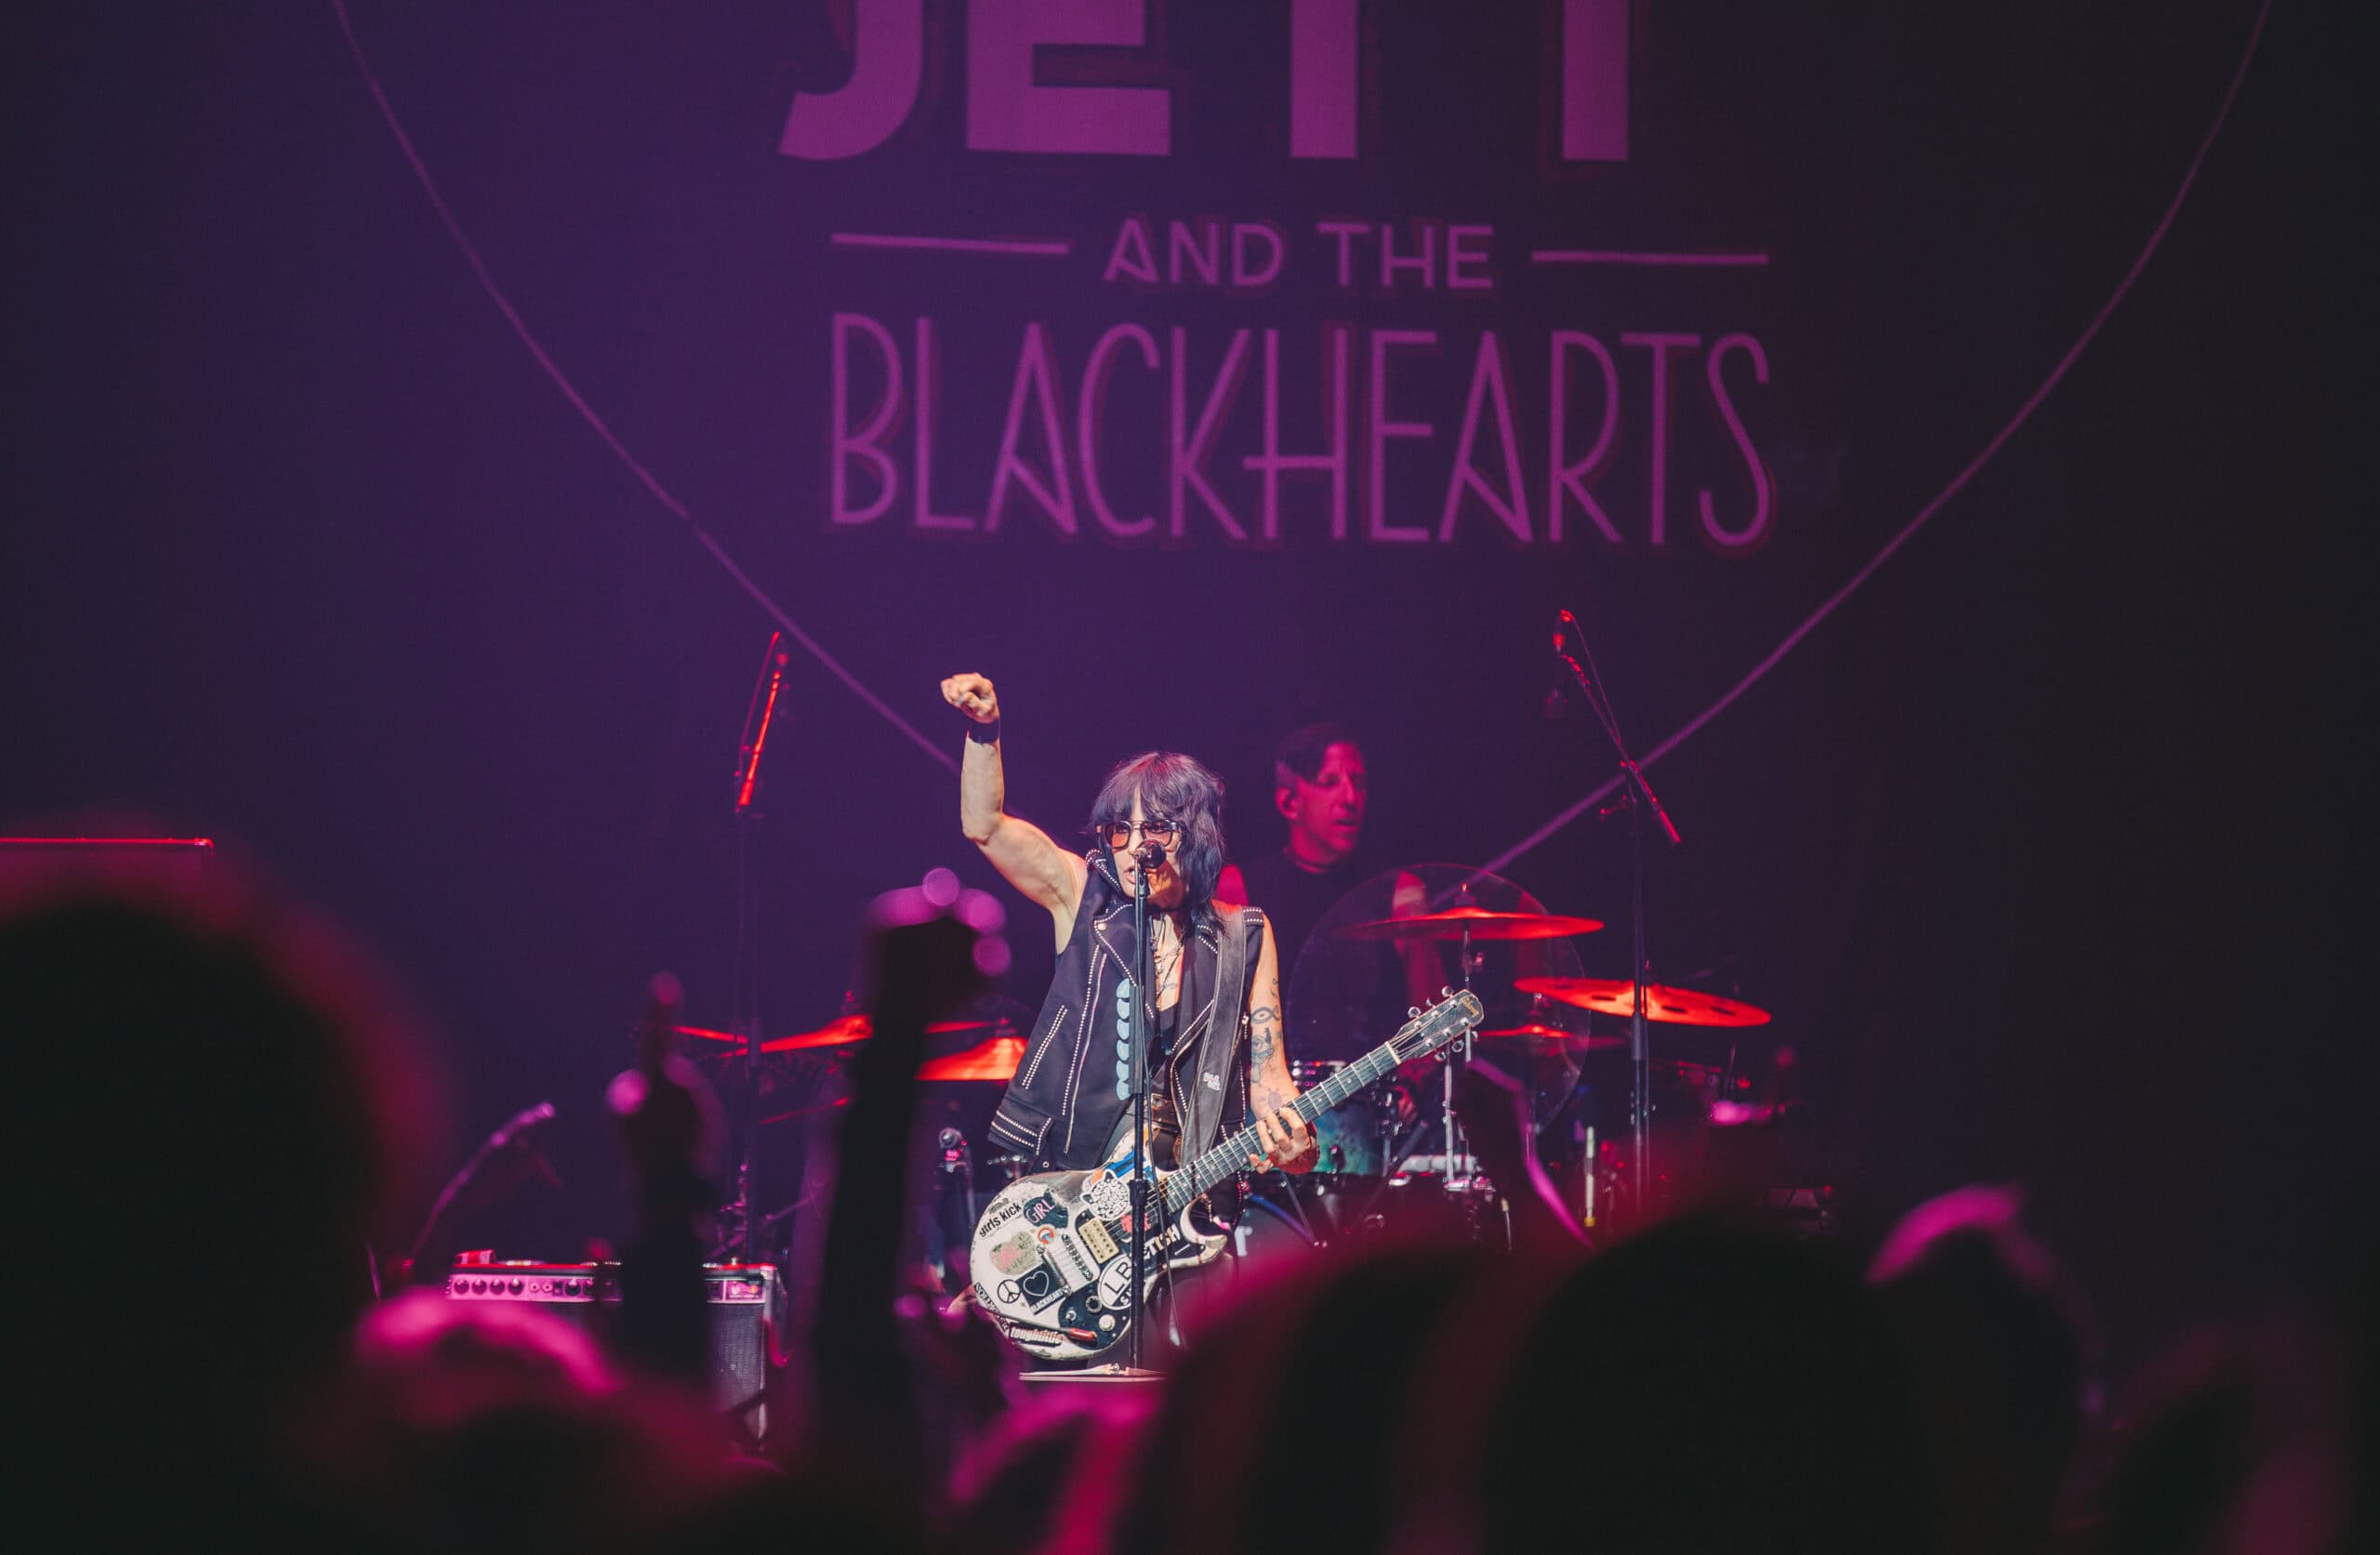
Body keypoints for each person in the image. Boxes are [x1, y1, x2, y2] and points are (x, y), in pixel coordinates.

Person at [938, 672, 1316, 1179]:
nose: (1136, 846)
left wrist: (1298, 1148)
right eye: (1120, 830)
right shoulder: (1083, 895)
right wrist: (985, 730)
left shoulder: (1242, 935)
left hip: (1184, 1192)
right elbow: (985, 826)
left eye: (1156, 828)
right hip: (1074, 1187)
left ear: (1196, 835)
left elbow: (1270, 1078)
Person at [1215, 722, 1373, 977]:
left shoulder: (1395, 892)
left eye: (1359, 782)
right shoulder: (1238, 887)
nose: (1351, 798)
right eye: (1330, 782)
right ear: (1289, 803)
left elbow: (1429, 996)